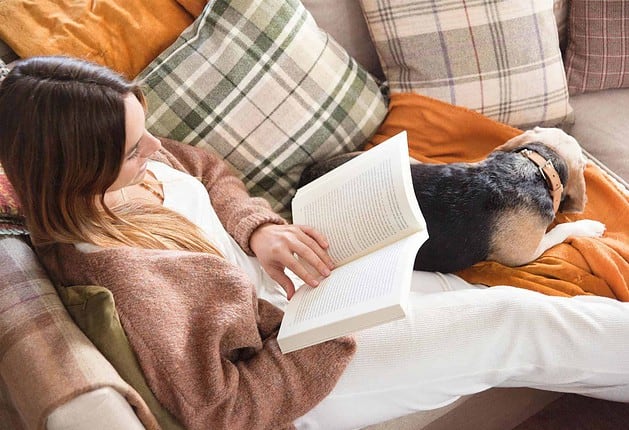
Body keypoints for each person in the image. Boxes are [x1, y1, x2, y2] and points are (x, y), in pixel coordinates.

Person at [0, 56, 628, 430]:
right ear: (75, 169)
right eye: (134, 149)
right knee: (511, 320)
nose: (155, 149)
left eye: (145, 131)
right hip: (303, 374)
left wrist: (260, 228)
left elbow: (205, 170)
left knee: (485, 293)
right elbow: (223, 411)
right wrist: (330, 330)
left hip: (301, 296)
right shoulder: (124, 276)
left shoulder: (129, 170)